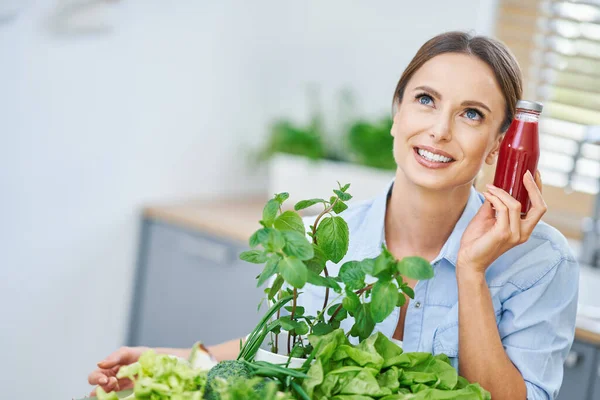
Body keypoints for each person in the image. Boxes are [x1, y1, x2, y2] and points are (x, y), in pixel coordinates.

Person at [88, 31, 579, 400]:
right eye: (425, 100)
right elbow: (288, 350)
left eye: (471, 114)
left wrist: (471, 274)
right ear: (397, 115)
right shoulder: (332, 237)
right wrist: (166, 363)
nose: (439, 130)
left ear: (498, 143)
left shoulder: (540, 262)